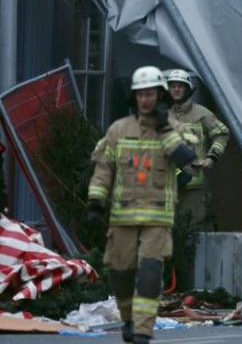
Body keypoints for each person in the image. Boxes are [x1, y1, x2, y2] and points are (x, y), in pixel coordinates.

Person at [85, 66, 199, 344]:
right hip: (123, 218)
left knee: (150, 274)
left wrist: (165, 130)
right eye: (141, 95)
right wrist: (96, 201)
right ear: (134, 97)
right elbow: (103, 169)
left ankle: (142, 332)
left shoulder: (172, 128)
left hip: (157, 219)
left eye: (150, 94)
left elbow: (187, 158)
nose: (146, 100)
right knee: (121, 274)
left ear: (159, 96)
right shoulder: (118, 130)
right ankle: (128, 319)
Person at [165, 69, 230, 230]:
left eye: (181, 86)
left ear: (188, 89)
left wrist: (212, 157)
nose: (176, 89)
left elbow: (221, 134)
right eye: (173, 86)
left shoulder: (202, 114)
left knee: (192, 232)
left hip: (193, 187)